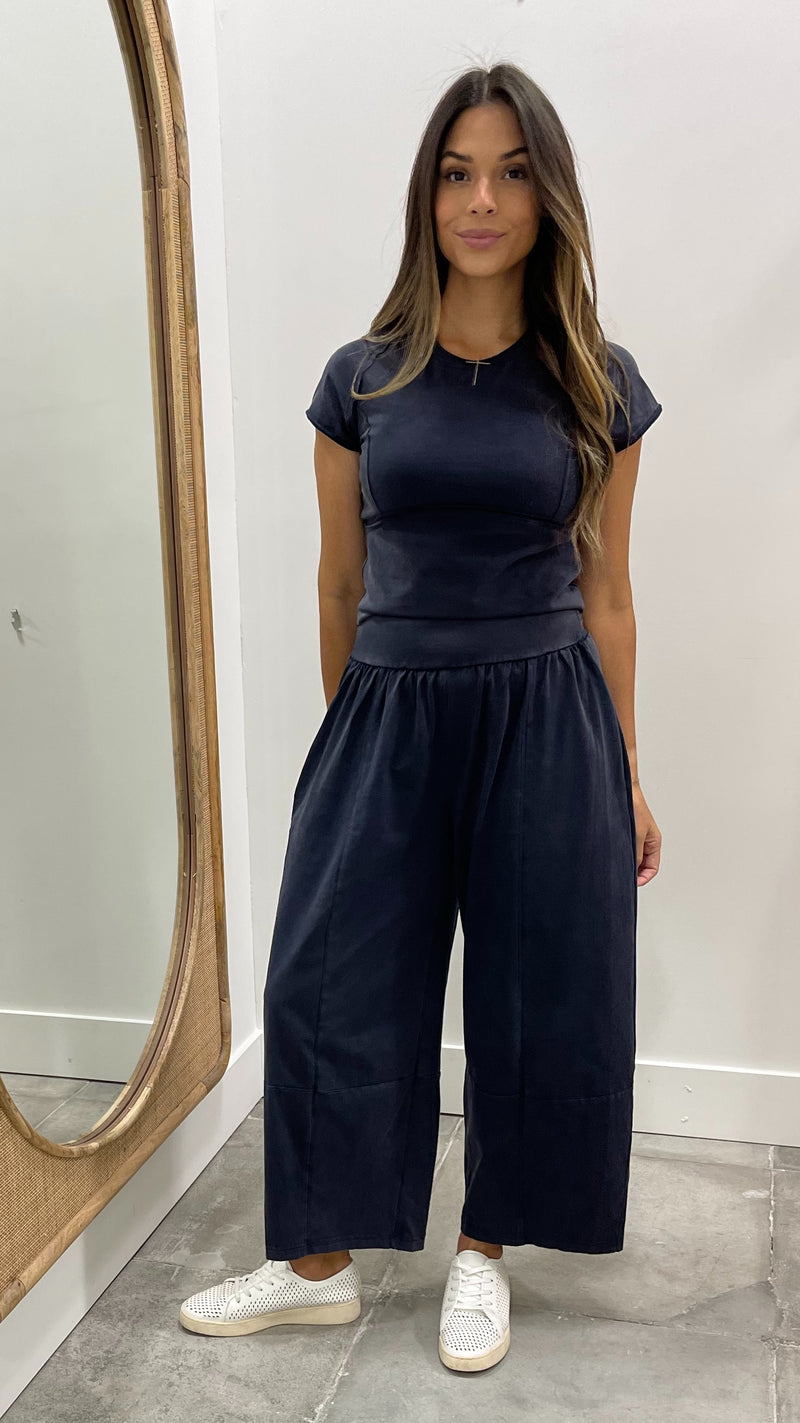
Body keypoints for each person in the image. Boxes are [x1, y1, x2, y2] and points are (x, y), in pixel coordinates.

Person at [179, 61, 663, 1373]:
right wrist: (351, 738)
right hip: (387, 707)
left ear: (547, 193)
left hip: (547, 709)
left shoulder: (597, 382)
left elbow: (609, 591)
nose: (483, 197)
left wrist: (624, 769)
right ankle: (316, 1265)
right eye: (457, 171)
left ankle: (487, 1255)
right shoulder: (363, 376)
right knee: (327, 980)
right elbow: (338, 580)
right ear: (426, 193)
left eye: (511, 171)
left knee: (534, 988)